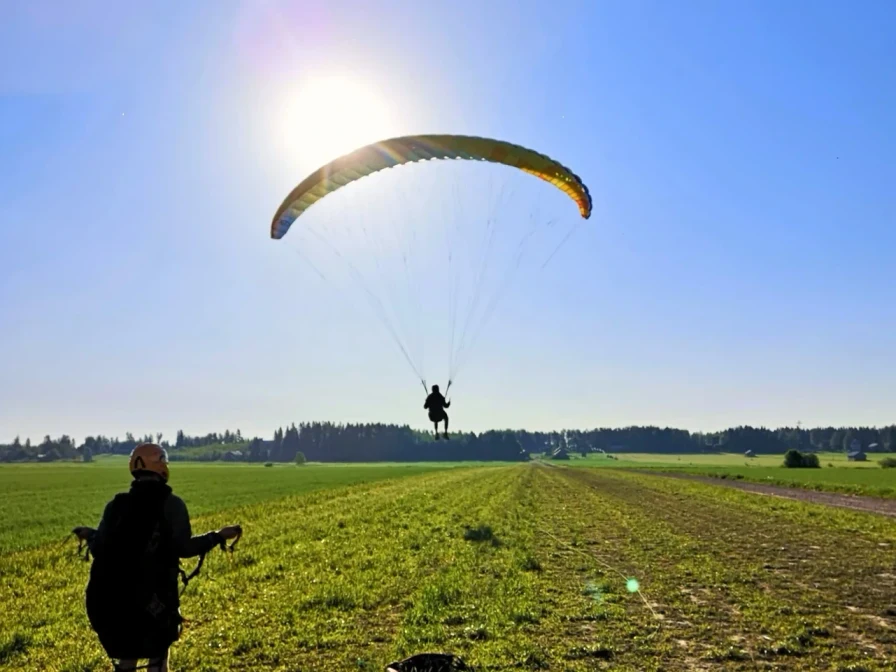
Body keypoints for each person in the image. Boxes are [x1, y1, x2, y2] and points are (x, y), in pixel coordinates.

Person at [81, 443, 241, 672]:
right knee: (157, 659)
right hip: (154, 600)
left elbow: (100, 549)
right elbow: (184, 548)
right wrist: (217, 536)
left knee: (128, 657)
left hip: (113, 600)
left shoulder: (115, 506)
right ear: (161, 466)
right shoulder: (172, 505)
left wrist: (91, 535)